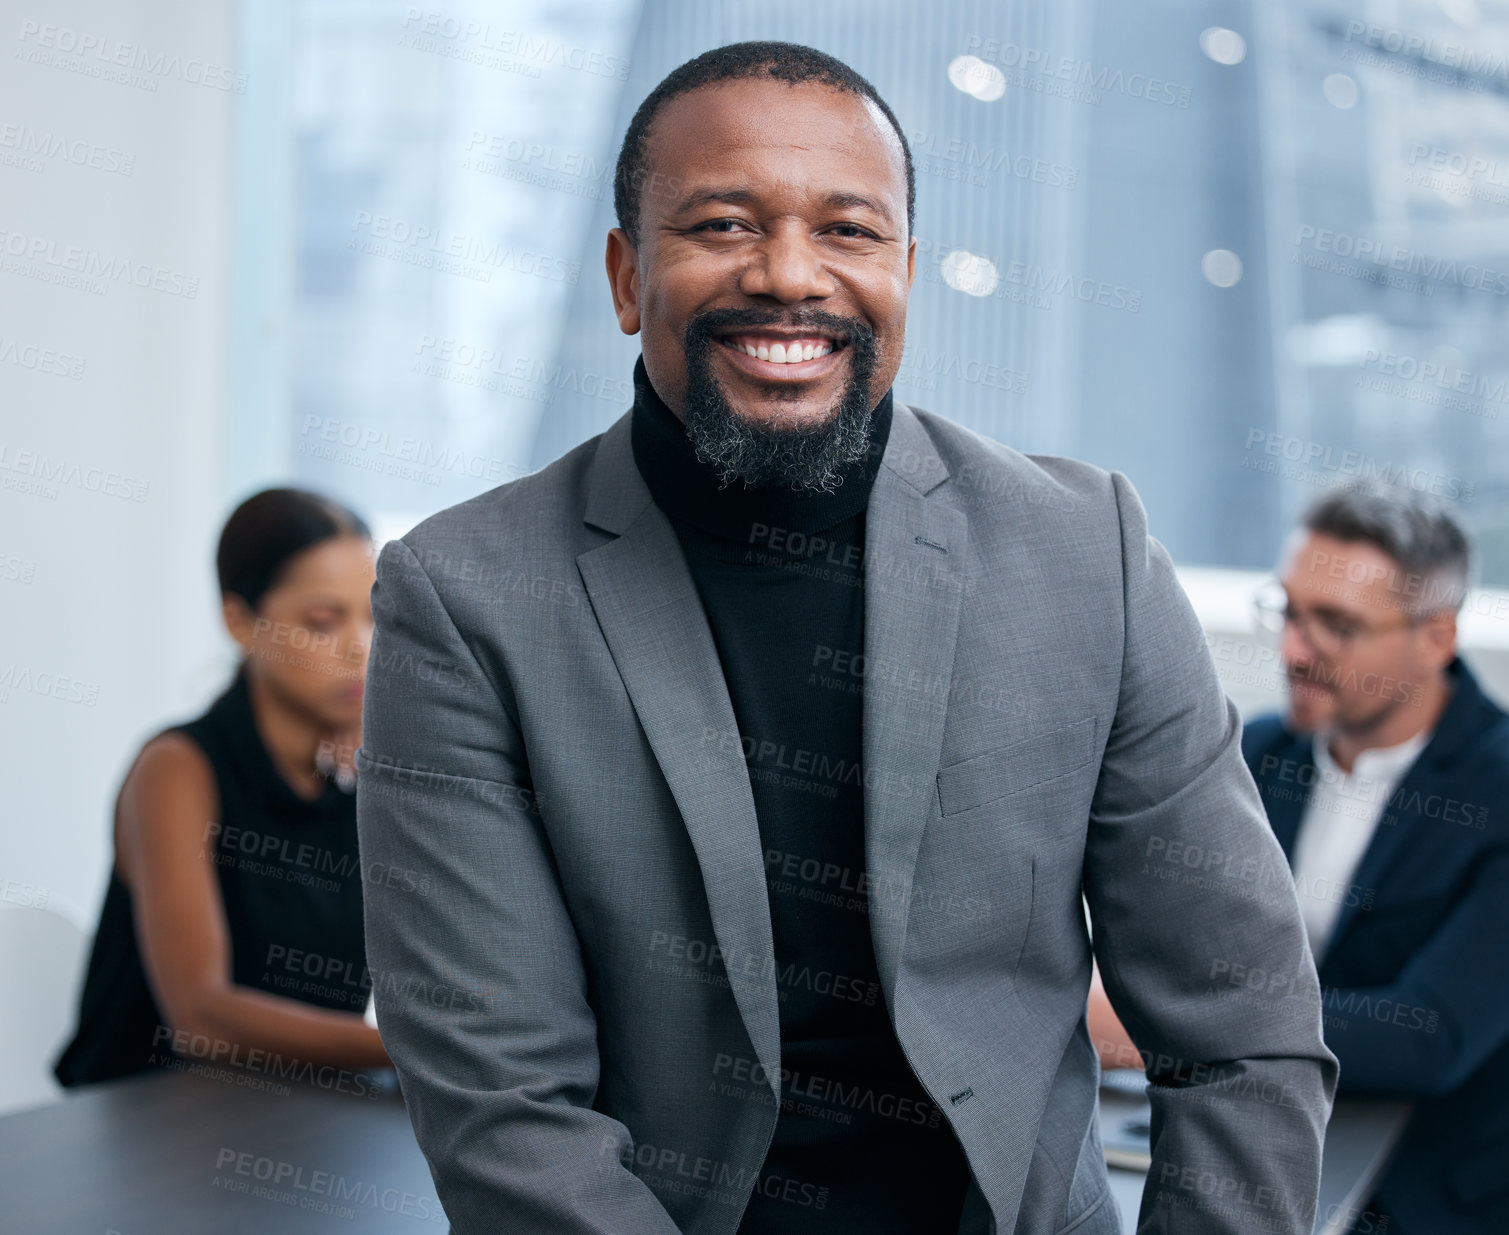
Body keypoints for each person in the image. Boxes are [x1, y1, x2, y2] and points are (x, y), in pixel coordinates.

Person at [356, 41, 1336, 1235]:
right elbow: (502, 1103)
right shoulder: (464, 596)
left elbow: (1243, 1032)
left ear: (906, 273)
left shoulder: (1091, 553)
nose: (789, 276)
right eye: (721, 225)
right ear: (624, 277)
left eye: (849, 231)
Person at [1237, 481, 1509, 1234]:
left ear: (1435, 638)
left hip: (1461, 1188)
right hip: (1282, 1146)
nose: (1293, 650)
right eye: (1288, 610)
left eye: (1335, 625)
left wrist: (1183, 1018)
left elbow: (1424, 1036)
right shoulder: (1255, 752)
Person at [54, 487, 390, 1088]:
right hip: (149, 1134)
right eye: (322, 621)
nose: (358, 647)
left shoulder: (365, 771)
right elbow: (201, 1017)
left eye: (372, 614)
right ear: (240, 622)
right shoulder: (177, 768)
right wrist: (410, 1050)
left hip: (304, 1120)